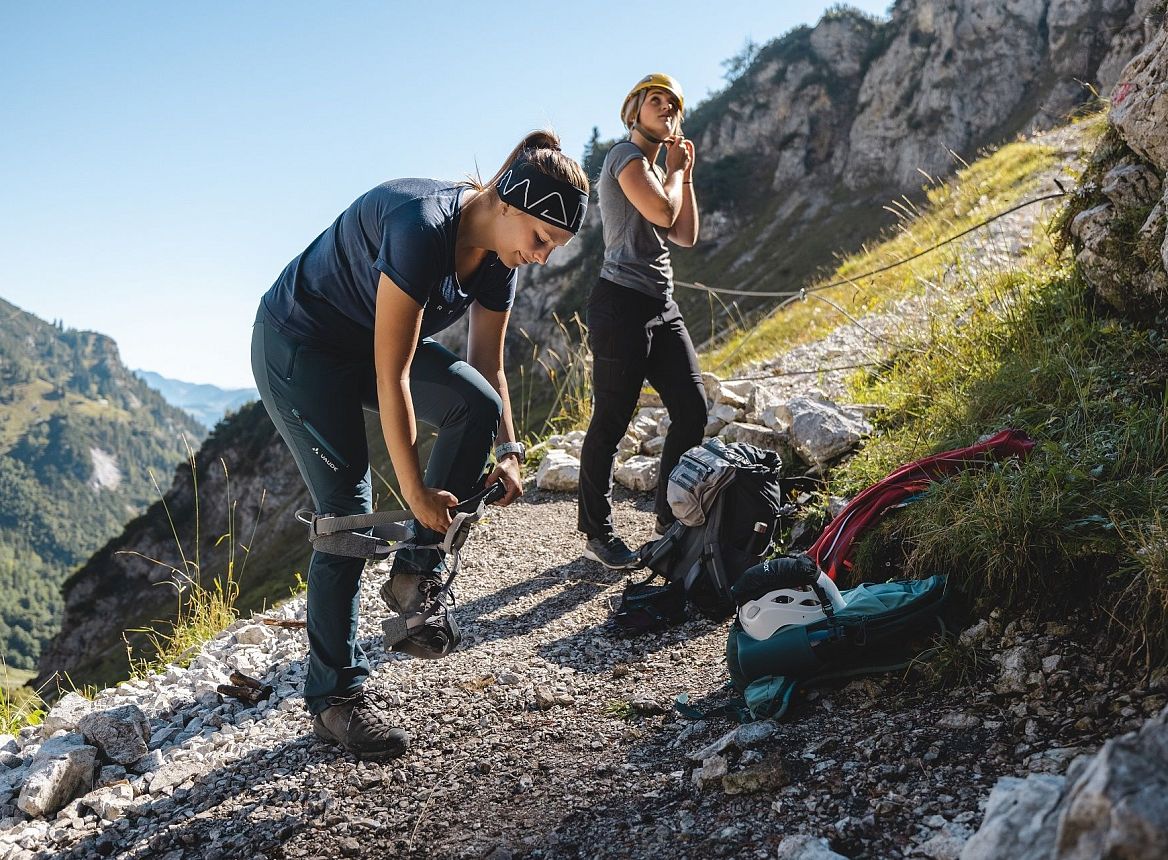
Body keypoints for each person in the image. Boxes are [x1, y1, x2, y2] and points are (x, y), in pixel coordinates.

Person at [252, 131, 588, 759]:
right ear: (510, 202)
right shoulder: (421, 226)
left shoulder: (499, 261)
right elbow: (393, 374)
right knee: (346, 512)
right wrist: (414, 491)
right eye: (541, 239)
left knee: (477, 407)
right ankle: (334, 698)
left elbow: (486, 365)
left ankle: (416, 577)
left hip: (367, 349)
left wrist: (509, 449)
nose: (543, 256)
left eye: (555, 248)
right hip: (301, 347)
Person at [578, 73, 705, 568]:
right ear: (634, 111)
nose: (667, 109)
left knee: (692, 409)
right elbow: (658, 209)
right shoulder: (623, 158)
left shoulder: (662, 169)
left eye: (674, 104)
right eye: (657, 101)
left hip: (661, 305)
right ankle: (596, 532)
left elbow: (685, 233)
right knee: (612, 419)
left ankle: (668, 518)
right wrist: (673, 172)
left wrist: (684, 173)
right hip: (620, 305)